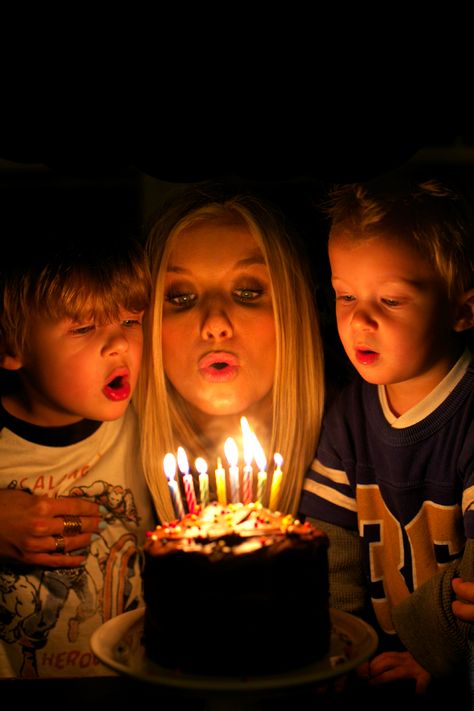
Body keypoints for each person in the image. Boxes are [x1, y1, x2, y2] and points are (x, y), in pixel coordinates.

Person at [298, 174, 474, 707]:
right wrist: (343, 641)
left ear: (463, 309)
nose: (359, 318)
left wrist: (433, 647)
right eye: (345, 295)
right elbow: (331, 544)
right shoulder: (349, 413)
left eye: (391, 300)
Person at [0, 216, 156, 680]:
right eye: (84, 328)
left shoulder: (147, 423)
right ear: (11, 345)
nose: (118, 344)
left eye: (131, 320)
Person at [134, 183, 326, 523]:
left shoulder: (358, 454)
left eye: (247, 292)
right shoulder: (102, 462)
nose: (215, 323)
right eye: (180, 297)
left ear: (293, 310)